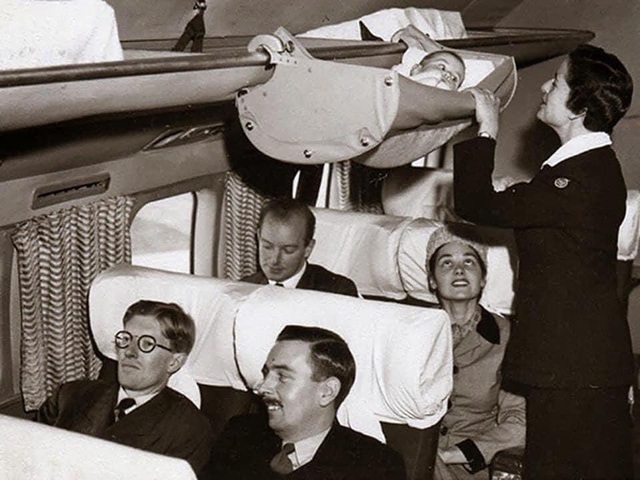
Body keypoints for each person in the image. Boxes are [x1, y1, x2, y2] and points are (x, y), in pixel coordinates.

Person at [454, 44, 634, 478]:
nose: (545, 86)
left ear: (576, 107)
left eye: (556, 82)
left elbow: (474, 204)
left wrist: (487, 130)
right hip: (578, 365)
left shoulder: (580, 177)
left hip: (573, 368)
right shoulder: (581, 171)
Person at [205, 325, 406, 479]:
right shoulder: (239, 435)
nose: (263, 387)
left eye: (282, 377)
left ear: (327, 392)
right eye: (266, 374)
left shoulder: (375, 466)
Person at [38, 300, 212, 475]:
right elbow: (28, 455)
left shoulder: (189, 429)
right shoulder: (70, 395)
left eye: (147, 344)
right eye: (126, 339)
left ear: (174, 362)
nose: (129, 351)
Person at [425, 225, 526, 480]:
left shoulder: (509, 337)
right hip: (411, 452)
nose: (459, 270)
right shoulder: (411, 328)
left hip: (470, 465)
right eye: (446, 263)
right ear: (432, 281)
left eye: (469, 262)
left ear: (482, 278)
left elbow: (520, 422)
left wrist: (454, 454)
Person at [241, 197, 359, 296]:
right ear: (258, 237)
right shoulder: (242, 289)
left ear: (308, 248)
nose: (274, 260)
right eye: (267, 247)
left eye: (288, 250)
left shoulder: (337, 291)